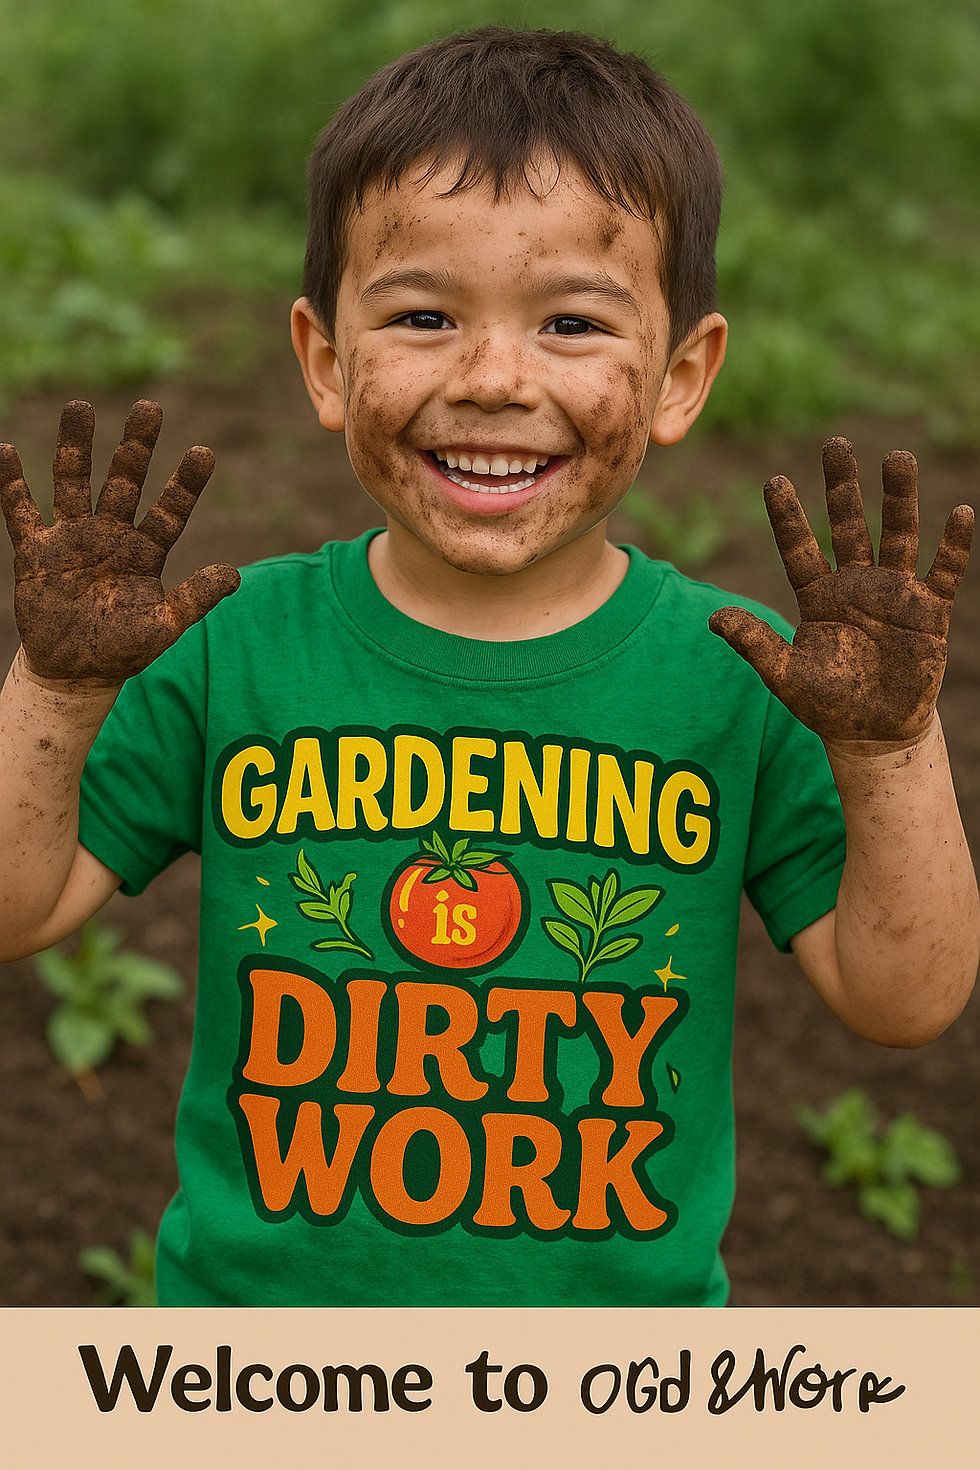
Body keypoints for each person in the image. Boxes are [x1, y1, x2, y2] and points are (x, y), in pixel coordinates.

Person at [0, 27, 976, 1308]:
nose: (494, 379)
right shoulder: (234, 648)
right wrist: (60, 690)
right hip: (261, 1380)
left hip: (615, 1394)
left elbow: (903, 1000)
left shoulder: (745, 680)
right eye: (421, 316)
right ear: (323, 362)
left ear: (680, 377)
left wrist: (891, 747)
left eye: (572, 322)